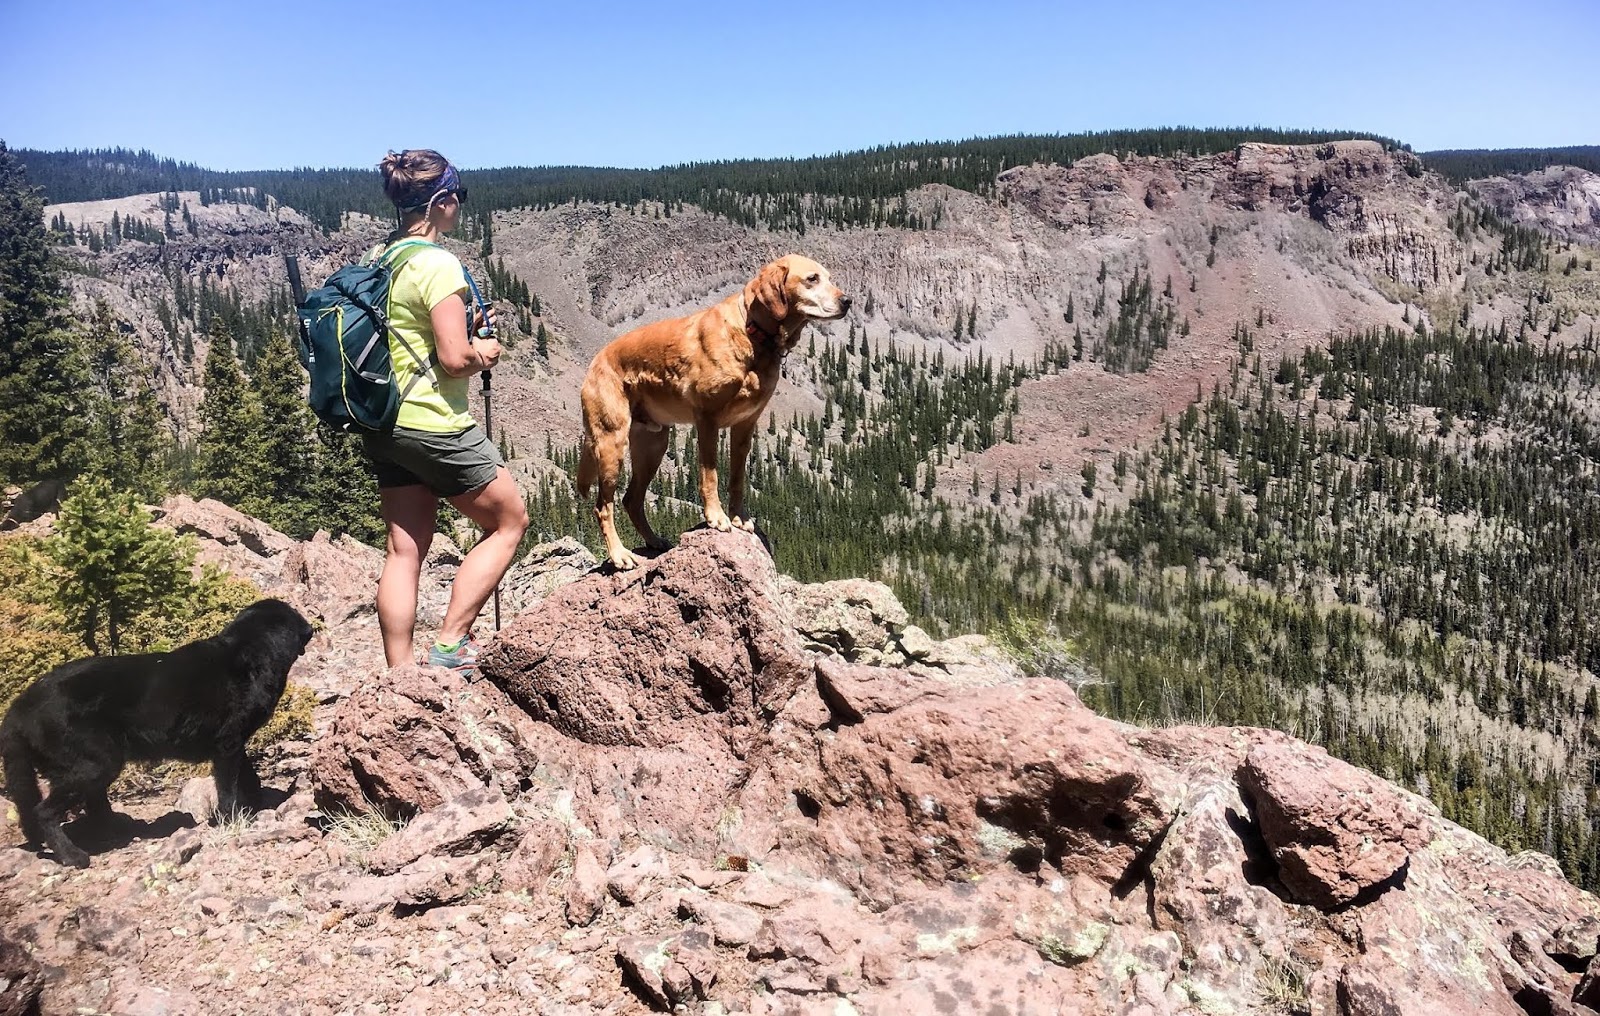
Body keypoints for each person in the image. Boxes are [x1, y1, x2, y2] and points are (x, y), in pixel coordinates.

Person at [365, 149, 527, 675]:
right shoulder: (438, 263)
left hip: (384, 422)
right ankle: (452, 644)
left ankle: (401, 674)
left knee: (404, 549)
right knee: (508, 521)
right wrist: (487, 351)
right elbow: (456, 359)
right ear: (438, 203)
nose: (459, 206)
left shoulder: (381, 257)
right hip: (433, 423)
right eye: (455, 198)